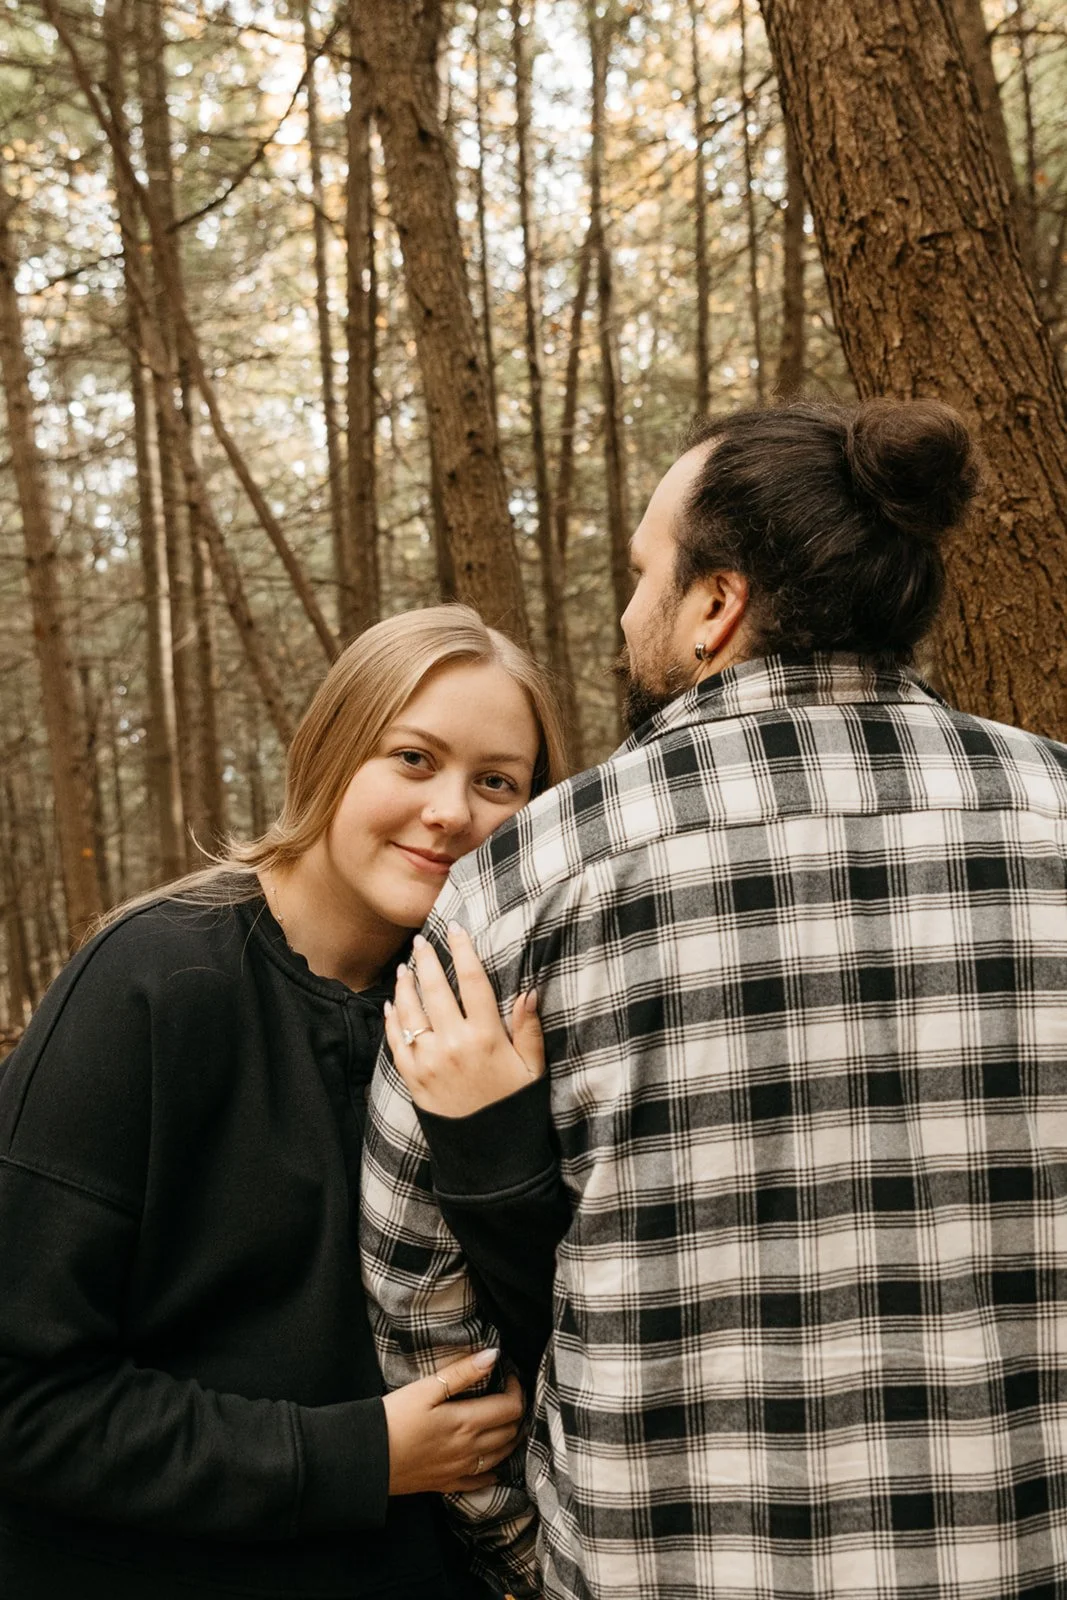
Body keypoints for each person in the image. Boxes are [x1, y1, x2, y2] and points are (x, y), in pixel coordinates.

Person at [362, 400, 1067, 1600]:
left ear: (712, 606)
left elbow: (415, 1279)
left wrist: (533, 1556)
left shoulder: (528, 877)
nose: (626, 608)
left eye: (643, 573)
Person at [0, 604, 569, 1600]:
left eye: (496, 782)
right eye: (411, 757)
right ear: (328, 752)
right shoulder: (150, 983)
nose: (449, 811)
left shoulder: (495, 1018)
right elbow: (24, 1400)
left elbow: (555, 1347)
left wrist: (497, 1142)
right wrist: (353, 1455)